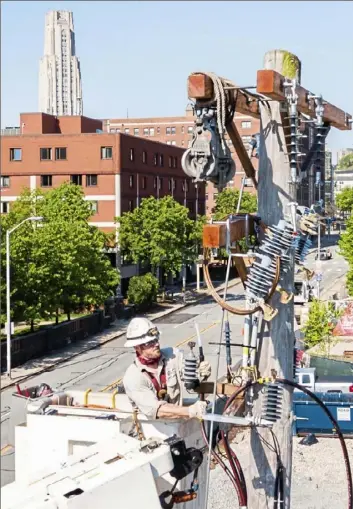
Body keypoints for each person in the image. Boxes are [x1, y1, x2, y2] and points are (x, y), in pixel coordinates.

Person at [123, 317, 211, 421]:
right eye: (149, 343)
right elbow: (157, 410)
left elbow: (191, 377)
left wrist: (200, 371)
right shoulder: (133, 377)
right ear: (137, 347)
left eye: (156, 339)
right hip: (152, 430)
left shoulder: (172, 356)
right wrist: (191, 411)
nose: (156, 344)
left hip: (177, 424)